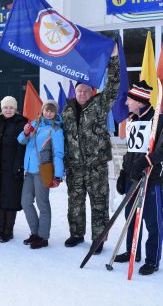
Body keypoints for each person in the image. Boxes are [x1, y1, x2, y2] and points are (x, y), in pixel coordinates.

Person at [113, 81, 163, 276]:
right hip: (133, 177)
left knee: (152, 221)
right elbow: (131, 149)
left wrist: (147, 160)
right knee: (130, 218)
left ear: (140, 101)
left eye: (129, 100)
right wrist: (125, 170)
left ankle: (152, 260)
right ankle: (133, 252)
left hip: (151, 179)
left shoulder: (161, 120)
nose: (126, 104)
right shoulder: (132, 120)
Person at [62, 44, 119, 254]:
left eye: (87, 90)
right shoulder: (66, 112)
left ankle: (99, 239)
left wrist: (113, 58)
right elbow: (59, 137)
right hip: (75, 167)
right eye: (80, 90)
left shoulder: (100, 105)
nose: (83, 93)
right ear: (75, 91)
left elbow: (113, 84)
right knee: (75, 202)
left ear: (92, 91)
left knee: (99, 203)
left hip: (96, 167)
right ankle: (76, 234)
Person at [17, 100, 64, 249]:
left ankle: (43, 236)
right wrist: (25, 132)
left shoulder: (56, 130)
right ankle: (34, 232)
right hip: (29, 170)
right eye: (46, 110)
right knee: (25, 201)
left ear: (55, 113)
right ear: (42, 110)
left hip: (43, 170)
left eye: (51, 110)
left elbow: (58, 154)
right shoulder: (35, 124)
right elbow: (21, 141)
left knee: (42, 204)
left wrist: (57, 175)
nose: (48, 113)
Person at [0, 96, 27, 243]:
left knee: (10, 200)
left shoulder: (22, 123)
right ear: (1, 109)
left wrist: (19, 166)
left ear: (16, 109)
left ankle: (8, 231)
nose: (8, 110)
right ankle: (1, 229)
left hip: (13, 167)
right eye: (5, 107)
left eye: (11, 107)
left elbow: (23, 147)